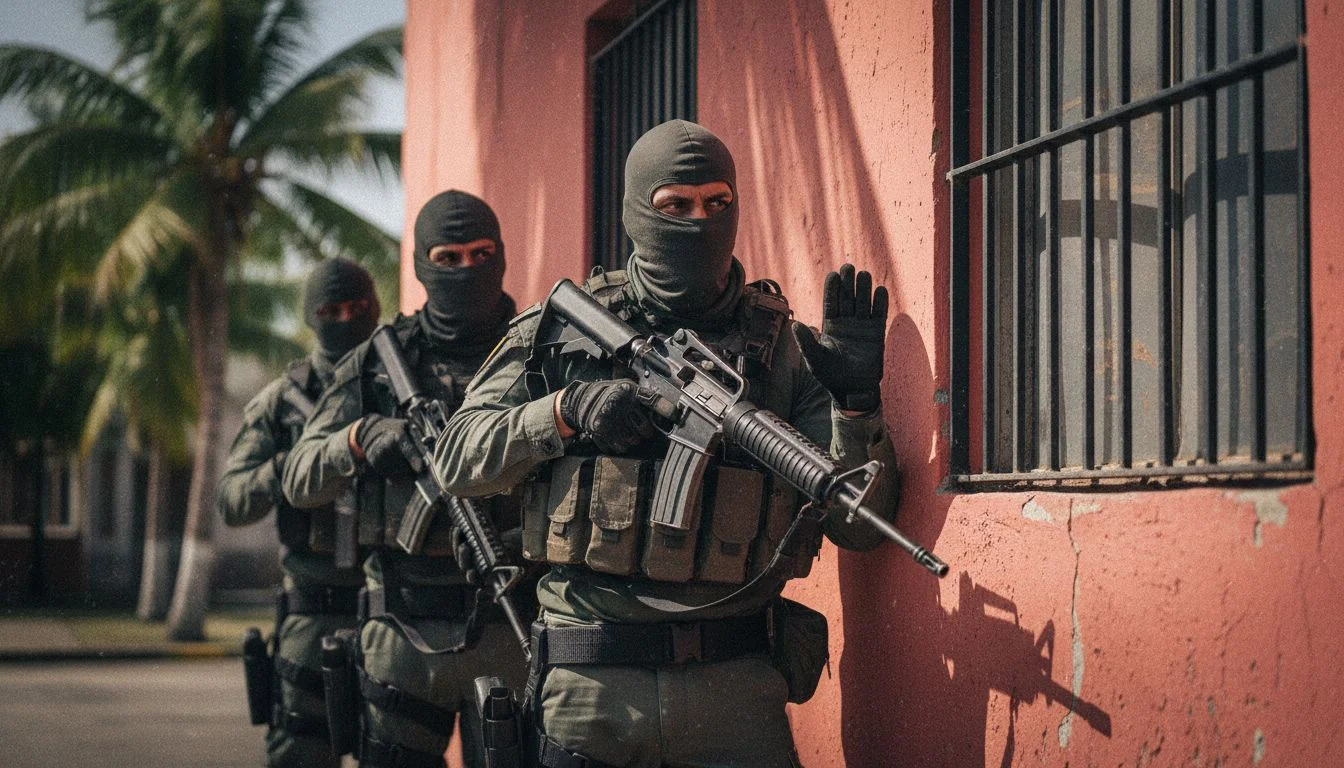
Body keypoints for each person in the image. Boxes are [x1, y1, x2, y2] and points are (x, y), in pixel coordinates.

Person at [432, 119, 900, 768]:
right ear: (635, 212)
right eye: (675, 205)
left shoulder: (778, 347)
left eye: (717, 203)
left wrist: (856, 404)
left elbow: (861, 528)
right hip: (591, 682)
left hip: (736, 685)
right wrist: (567, 409)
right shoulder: (561, 331)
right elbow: (455, 458)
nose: (698, 220)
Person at [281, 190, 532, 768]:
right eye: (448, 258)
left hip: (513, 627)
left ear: (501, 256)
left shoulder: (538, 353)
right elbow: (299, 477)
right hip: (404, 634)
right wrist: (360, 438)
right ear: (420, 264)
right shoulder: (378, 362)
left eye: (480, 253)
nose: (466, 269)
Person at [218, 257, 381, 768]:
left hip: (394, 609)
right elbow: (232, 499)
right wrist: (287, 469)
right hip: (313, 607)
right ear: (312, 317)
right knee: (300, 751)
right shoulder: (281, 402)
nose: (346, 321)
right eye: (331, 310)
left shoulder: (402, 384)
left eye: (358, 308)